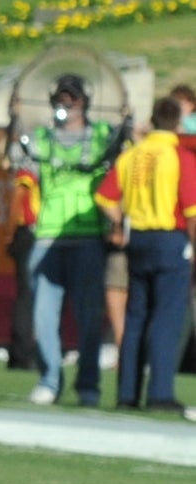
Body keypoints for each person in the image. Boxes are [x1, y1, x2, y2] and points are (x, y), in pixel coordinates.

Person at [14, 72, 118, 406]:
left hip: (88, 235)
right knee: (44, 317)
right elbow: (20, 157)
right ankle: (49, 379)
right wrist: (14, 118)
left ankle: (88, 384)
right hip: (48, 236)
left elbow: (120, 158)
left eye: (73, 97)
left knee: (88, 316)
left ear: (85, 101)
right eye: (61, 97)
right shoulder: (42, 137)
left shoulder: (103, 135)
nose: (67, 103)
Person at [95, 97, 196, 417]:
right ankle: (160, 393)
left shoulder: (133, 154)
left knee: (136, 318)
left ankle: (127, 393)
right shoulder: (179, 157)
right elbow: (192, 210)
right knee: (167, 318)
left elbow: (104, 196)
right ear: (178, 123)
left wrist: (119, 223)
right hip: (170, 238)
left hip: (137, 238)